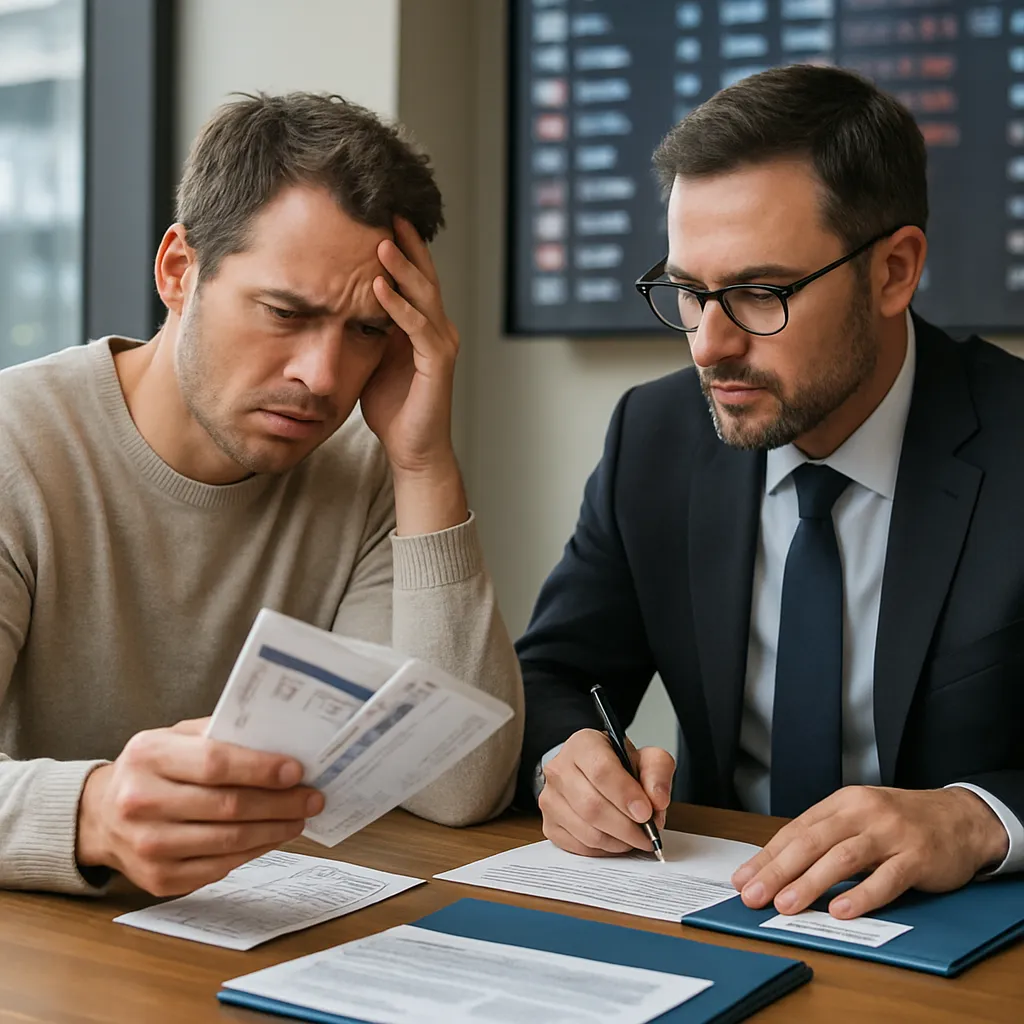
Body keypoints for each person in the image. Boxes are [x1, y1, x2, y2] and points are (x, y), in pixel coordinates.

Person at [517, 65, 1023, 922]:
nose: (708, 345)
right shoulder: (655, 436)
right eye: (687, 291)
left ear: (894, 271)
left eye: (759, 292)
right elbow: (554, 672)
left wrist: (978, 820)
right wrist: (563, 760)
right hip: (717, 910)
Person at [0, 92, 523, 897]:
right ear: (180, 271)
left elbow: (455, 789)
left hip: (255, 947)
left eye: (365, 332)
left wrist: (424, 465)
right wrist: (94, 815)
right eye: (285, 312)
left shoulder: (369, 469)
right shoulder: (16, 444)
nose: (321, 376)